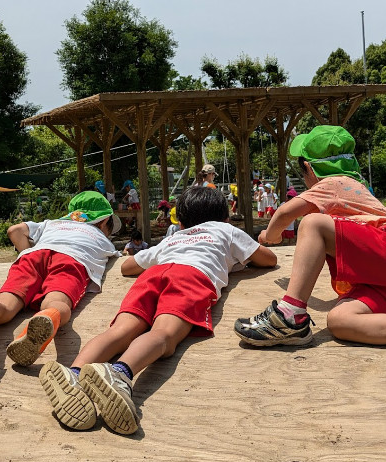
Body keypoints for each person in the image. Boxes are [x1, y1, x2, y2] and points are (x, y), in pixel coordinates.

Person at [38, 186, 277, 434]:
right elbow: (268, 259)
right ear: (224, 218)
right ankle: (120, 372)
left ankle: (75, 373)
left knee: (122, 330)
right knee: (164, 335)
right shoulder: (226, 230)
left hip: (154, 275)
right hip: (192, 276)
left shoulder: (173, 239)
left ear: (181, 222)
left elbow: (128, 266)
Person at [234, 125, 386, 374]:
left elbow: (284, 213)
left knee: (312, 223)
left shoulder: (335, 184)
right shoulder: (355, 184)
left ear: (309, 169)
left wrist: (268, 236)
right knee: (339, 320)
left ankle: (289, 316)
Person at [0, 191, 122, 367]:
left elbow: (14, 230)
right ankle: (46, 317)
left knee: (5, 306)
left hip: (33, 256)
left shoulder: (52, 224)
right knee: (56, 302)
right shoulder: (102, 240)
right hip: (71, 259)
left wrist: (27, 254)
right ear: (104, 221)